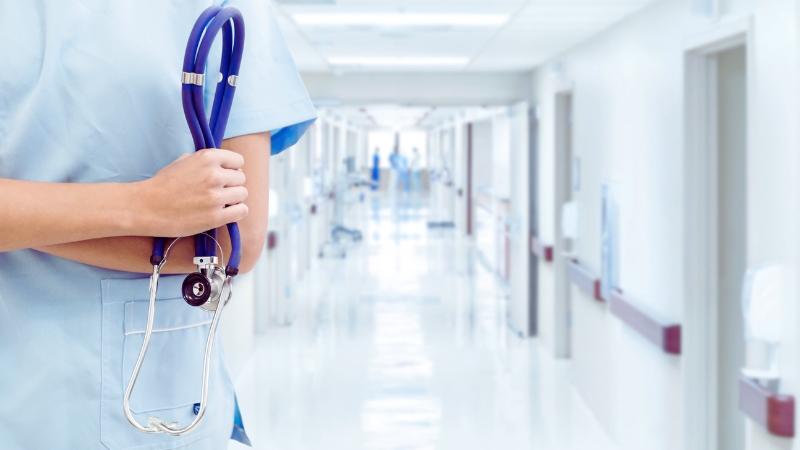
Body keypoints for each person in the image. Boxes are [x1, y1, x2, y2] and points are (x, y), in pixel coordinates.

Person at [0, 1, 316, 449]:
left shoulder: (228, 9)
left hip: (146, 405)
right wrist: (142, 206)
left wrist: (22, 216)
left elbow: (231, 241)